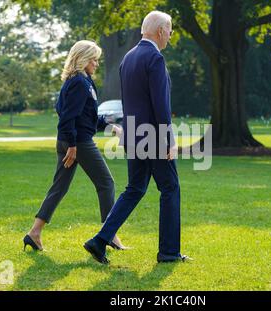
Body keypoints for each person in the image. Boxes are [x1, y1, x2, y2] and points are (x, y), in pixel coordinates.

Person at [84, 11, 191, 264]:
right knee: (170, 188)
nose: (171, 35)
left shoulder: (128, 58)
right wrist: (170, 140)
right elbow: (161, 105)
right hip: (153, 136)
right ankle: (168, 252)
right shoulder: (155, 58)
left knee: (135, 188)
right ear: (161, 31)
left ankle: (100, 240)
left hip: (134, 136)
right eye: (170, 30)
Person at [23, 40, 128, 251]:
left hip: (70, 140)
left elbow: (86, 117)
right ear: (83, 59)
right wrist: (72, 146)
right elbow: (67, 118)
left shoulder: (80, 81)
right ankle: (109, 235)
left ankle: (34, 233)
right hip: (78, 143)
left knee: (59, 188)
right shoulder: (79, 83)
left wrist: (111, 127)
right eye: (94, 60)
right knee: (106, 183)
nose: (97, 64)